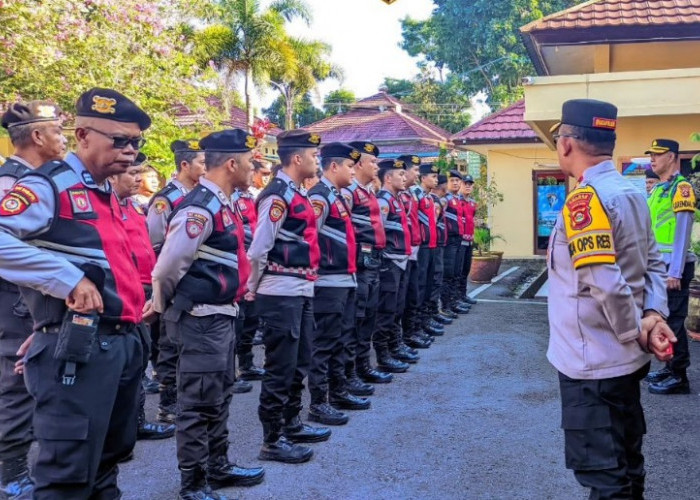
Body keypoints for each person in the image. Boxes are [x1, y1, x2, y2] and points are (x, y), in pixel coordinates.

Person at [0, 87, 150, 498]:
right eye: (119, 140)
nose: (130, 151)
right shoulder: (50, 185)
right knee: (66, 476)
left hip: (119, 343)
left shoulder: (107, 192)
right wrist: (65, 281)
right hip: (80, 352)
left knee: (107, 462)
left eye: (136, 142)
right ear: (83, 135)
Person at [547, 98, 677, 499]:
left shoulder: (585, 201)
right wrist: (653, 315)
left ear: (567, 144)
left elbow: (605, 280)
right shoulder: (632, 191)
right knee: (627, 464)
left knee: (606, 478)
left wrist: (636, 330)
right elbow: (652, 261)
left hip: (593, 365)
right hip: (623, 362)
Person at [151, 129, 265, 499]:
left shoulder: (223, 201)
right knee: (198, 401)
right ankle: (193, 481)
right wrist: (161, 305)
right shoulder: (201, 207)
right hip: (200, 318)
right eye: (250, 162)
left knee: (219, 394)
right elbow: (167, 268)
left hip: (221, 315)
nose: (254, 169)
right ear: (231, 164)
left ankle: (218, 466)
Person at [247, 129, 330, 464]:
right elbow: (259, 249)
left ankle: (291, 422)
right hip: (280, 290)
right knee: (280, 367)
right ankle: (272, 438)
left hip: (300, 288)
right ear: (297, 158)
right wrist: (252, 287)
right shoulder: (277, 195)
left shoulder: (295, 192)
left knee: (300, 361)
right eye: (313, 156)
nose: (316, 161)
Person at [0, 100, 66, 498]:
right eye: (58, 131)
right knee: (17, 379)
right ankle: (10, 471)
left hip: (33, 294)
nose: (63, 139)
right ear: (37, 136)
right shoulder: (12, 184)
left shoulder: (40, 179)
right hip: (14, 298)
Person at [108, 152, 176, 442]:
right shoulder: (106, 207)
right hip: (122, 293)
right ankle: (121, 427)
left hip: (143, 290)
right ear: (112, 176)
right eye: (131, 172)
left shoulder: (134, 207)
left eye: (139, 172)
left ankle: (136, 421)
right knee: (124, 364)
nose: (137, 178)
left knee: (140, 357)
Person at [307, 142, 369, 426]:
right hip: (328, 282)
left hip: (345, 279)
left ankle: (339, 390)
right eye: (348, 166)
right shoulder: (319, 196)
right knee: (324, 343)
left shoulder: (336, 195)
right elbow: (309, 238)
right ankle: (319, 402)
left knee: (342, 338)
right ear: (333, 167)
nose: (352, 171)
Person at [146, 139, 206, 424]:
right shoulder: (166, 199)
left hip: (193, 281)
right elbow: (155, 243)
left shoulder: (201, 196)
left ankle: (186, 398)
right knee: (169, 344)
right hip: (172, 278)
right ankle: (168, 403)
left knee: (187, 344)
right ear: (185, 165)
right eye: (201, 163)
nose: (206, 169)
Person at [645, 138, 696, 395]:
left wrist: (675, 271)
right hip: (658, 267)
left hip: (673, 270)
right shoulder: (658, 190)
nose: (653, 159)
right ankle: (668, 366)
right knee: (660, 319)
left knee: (674, 320)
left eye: (658, 154)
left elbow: (683, 231)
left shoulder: (681, 187)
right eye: (651, 155)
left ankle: (679, 376)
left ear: (673, 157)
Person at [343, 141, 392, 386]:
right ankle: (351, 373)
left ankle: (364, 366)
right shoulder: (348, 192)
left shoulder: (368, 190)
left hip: (373, 258)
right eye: (372, 161)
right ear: (359, 163)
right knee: (358, 317)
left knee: (370, 315)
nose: (376, 166)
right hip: (359, 263)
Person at [374, 158, 418, 369]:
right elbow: (378, 234)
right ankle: (384, 355)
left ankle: (395, 346)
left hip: (401, 261)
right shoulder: (383, 201)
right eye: (400, 174)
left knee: (397, 308)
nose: (404, 177)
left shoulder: (397, 199)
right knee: (387, 310)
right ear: (388, 177)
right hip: (390, 262)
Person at [397, 155, 433, 350]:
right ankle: (406, 336)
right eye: (415, 171)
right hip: (401, 252)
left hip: (414, 248)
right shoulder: (400, 196)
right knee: (405, 297)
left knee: (415, 292)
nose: (417, 175)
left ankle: (413, 331)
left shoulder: (410, 194)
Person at [231, 185, 263, 394]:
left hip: (249, 264)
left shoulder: (248, 197)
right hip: (234, 265)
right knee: (235, 325)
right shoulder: (228, 198)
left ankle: (246, 364)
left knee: (248, 320)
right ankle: (230, 372)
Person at [409, 163, 445, 338]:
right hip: (421, 247)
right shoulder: (415, 195)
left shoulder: (430, 197)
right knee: (420, 287)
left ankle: (426, 319)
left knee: (430, 284)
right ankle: (416, 325)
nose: (436, 180)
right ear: (423, 178)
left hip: (432, 246)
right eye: (433, 176)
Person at [441, 170, 471, 316]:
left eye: (457, 181)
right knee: (448, 274)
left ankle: (454, 302)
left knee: (456, 272)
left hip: (458, 240)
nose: (455, 183)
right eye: (452, 180)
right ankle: (446, 306)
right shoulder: (445, 200)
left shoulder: (458, 200)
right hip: (449, 241)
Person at [430, 175, 453, 325]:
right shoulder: (433, 200)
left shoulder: (438, 200)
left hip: (438, 244)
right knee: (433, 281)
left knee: (437, 279)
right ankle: (431, 314)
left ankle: (434, 313)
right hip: (432, 245)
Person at [459, 175, 478, 306]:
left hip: (469, 241)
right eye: (465, 183)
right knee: (457, 271)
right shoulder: (457, 201)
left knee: (465, 270)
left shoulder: (472, 203)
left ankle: (463, 295)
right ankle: (456, 298)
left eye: (470, 184)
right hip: (459, 242)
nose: (468, 186)